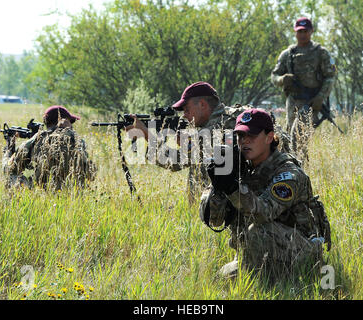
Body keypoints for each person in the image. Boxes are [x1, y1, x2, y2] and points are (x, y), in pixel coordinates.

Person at [199, 108, 331, 280]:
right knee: (218, 279)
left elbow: (263, 213)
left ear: (269, 137)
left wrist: (232, 188)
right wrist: (218, 188)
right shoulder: (241, 168)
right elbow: (214, 220)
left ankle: (273, 281)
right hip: (256, 254)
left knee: (256, 231)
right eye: (240, 136)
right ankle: (257, 278)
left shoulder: (289, 173)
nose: (244, 141)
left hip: (300, 254)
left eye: (251, 136)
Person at [126, 81, 277, 203]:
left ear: (203, 105)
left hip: (231, 207)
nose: (184, 116)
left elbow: (174, 161)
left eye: (187, 109)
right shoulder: (230, 118)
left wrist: (146, 135)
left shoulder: (215, 128)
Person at [271, 17, 337, 161]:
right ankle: (293, 167)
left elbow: (330, 77)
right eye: (299, 31)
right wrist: (282, 79)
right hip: (292, 101)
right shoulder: (288, 54)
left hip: (311, 102)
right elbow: (274, 76)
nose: (302, 34)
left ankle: (300, 170)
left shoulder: (321, 53)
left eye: (305, 31)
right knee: (288, 138)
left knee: (299, 137)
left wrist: (320, 97)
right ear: (295, 32)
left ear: (311, 31)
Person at [2, 105, 97, 190]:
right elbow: (91, 175)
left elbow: (9, 168)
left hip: (43, 193)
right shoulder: (77, 141)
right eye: (70, 121)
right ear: (62, 121)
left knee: (11, 177)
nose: (71, 125)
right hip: (75, 194)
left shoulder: (37, 139)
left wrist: (8, 151)